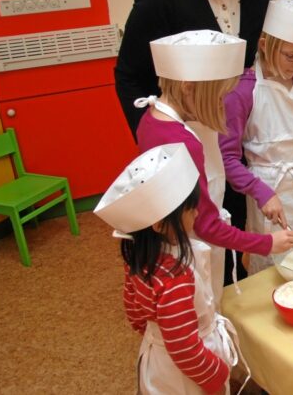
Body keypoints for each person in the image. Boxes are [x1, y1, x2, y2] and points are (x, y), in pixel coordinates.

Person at [115, 0, 274, 281]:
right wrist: (160, 139)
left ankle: (228, 303)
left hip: (228, 129)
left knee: (230, 217)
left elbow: (250, 60)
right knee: (193, 240)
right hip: (181, 134)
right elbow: (129, 75)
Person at [135, 30, 293, 307]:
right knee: (201, 313)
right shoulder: (184, 141)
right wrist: (266, 243)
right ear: (189, 86)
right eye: (219, 96)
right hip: (191, 249)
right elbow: (206, 225)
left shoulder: (151, 118)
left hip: (170, 246)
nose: (223, 105)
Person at [94, 143, 240, 394]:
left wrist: (157, 335)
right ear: (161, 224)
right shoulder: (176, 279)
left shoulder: (140, 258)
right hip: (188, 374)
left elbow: (134, 312)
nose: (196, 212)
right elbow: (185, 350)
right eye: (190, 208)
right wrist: (217, 375)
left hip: (159, 360)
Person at [219, 0, 293, 274]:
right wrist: (261, 192)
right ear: (265, 45)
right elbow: (226, 158)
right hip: (268, 187)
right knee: (273, 263)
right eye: (291, 56)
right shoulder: (243, 91)